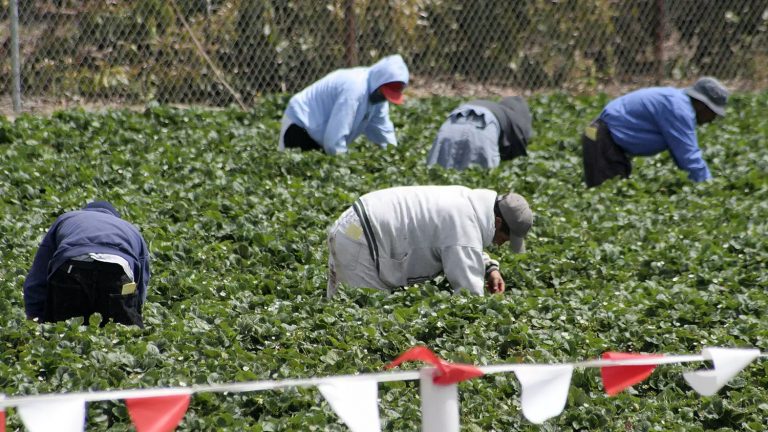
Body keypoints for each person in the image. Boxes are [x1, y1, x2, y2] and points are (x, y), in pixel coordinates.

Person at [326, 185, 532, 298]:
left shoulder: (469, 205)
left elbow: (461, 242)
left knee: (344, 306)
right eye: (505, 238)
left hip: (357, 223)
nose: (501, 244)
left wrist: (489, 268)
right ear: (497, 221)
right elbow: (470, 295)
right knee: (359, 310)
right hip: (360, 236)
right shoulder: (464, 224)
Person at [582, 76, 729, 188]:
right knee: (607, 196)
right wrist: (708, 187)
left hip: (603, 139)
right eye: (713, 113)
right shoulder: (679, 109)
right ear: (702, 105)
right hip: (602, 139)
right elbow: (688, 156)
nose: (712, 119)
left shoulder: (677, 101)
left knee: (612, 193)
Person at [23, 201, 150, 327]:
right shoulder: (131, 229)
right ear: (114, 216)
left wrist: (34, 315)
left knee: (64, 331)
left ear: (85, 211)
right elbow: (140, 282)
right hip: (117, 272)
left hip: (71, 270)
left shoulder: (67, 218)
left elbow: (39, 273)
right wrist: (133, 308)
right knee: (121, 333)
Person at [278, 54, 409, 155]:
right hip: (301, 125)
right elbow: (334, 139)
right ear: (379, 82)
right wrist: (344, 166)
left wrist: (393, 155)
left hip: (321, 134)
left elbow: (382, 129)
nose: (384, 98)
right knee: (298, 172)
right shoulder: (354, 89)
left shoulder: (377, 96)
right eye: (384, 93)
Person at [427, 96, 533, 170]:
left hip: (452, 122)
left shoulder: (494, 107)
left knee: (439, 176)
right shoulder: (519, 120)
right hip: (483, 126)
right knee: (481, 185)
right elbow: (519, 146)